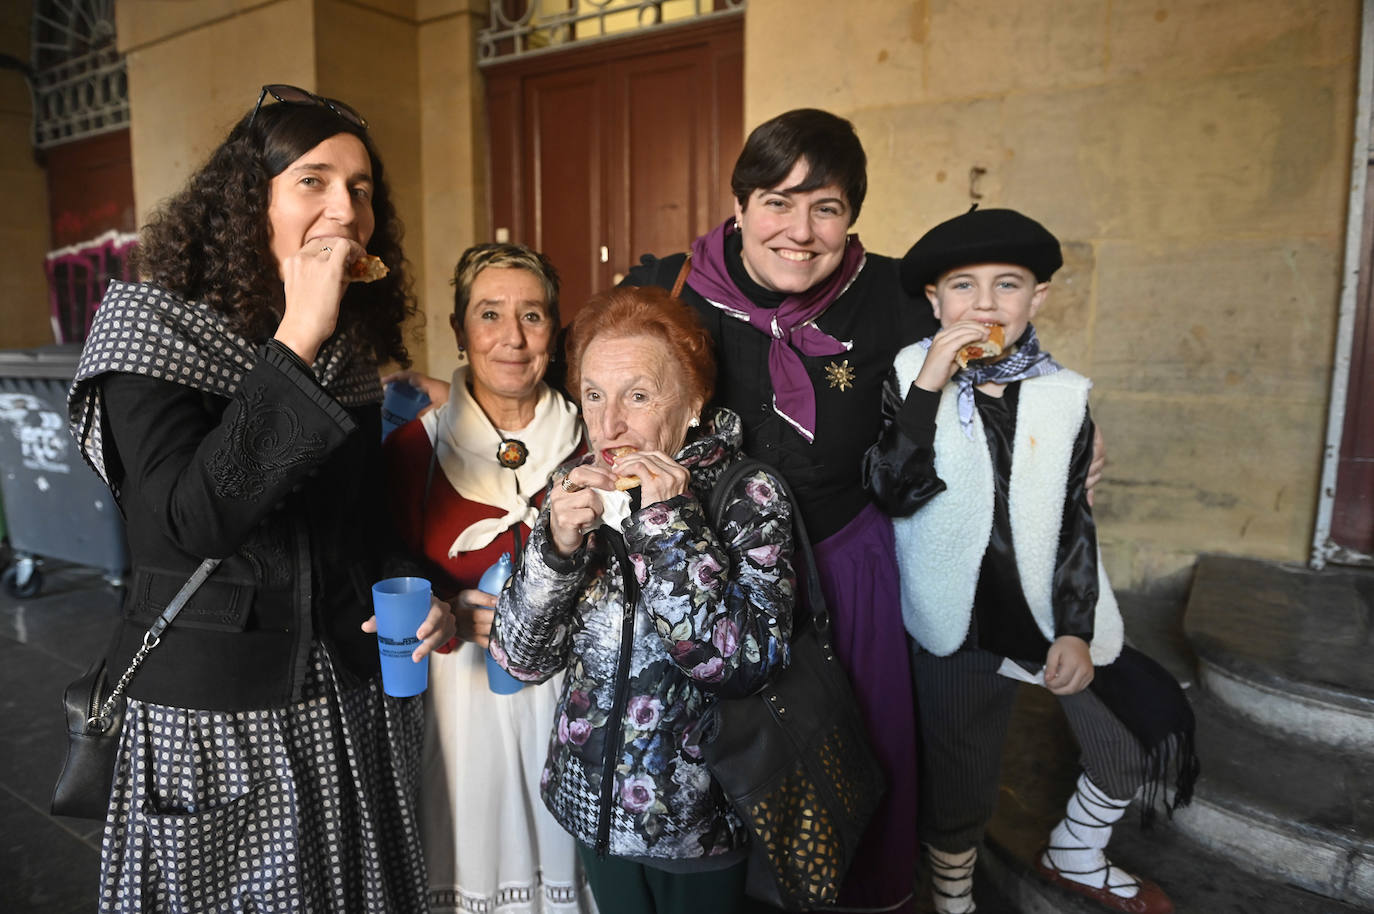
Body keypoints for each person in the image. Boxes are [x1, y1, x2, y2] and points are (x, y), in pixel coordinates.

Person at [67, 85, 456, 914]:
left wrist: (410, 586)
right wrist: (297, 338)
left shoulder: (347, 349)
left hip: (347, 702)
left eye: (360, 189)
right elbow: (193, 521)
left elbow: (362, 523)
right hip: (215, 712)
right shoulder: (149, 328)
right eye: (313, 182)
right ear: (251, 205)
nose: (344, 210)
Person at [621, 108, 933, 913]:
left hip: (844, 565)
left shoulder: (893, 295)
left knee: (848, 756)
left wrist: (1064, 429)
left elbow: (990, 330)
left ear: (851, 217)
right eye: (778, 201)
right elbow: (583, 369)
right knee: (727, 764)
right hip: (714, 575)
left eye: (825, 206)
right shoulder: (671, 285)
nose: (801, 230)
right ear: (741, 206)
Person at [865, 207, 1197, 914]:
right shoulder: (907, 375)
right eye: (963, 286)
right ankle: (953, 892)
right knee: (962, 779)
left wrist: (1076, 626)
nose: (984, 304)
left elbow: (1076, 521)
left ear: (1037, 298)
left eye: (1007, 285)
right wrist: (930, 380)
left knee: (1134, 731)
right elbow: (893, 488)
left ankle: (1075, 848)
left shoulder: (1063, 396)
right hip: (956, 623)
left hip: (1048, 615)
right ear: (936, 301)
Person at [489, 285, 798, 914]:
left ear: (692, 403)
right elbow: (518, 660)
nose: (610, 426)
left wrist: (666, 524)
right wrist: (557, 547)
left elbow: (743, 666)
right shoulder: (575, 489)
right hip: (591, 812)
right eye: (595, 396)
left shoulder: (748, 495)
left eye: (637, 395)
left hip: (699, 821)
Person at [383, 242, 594, 913]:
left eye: (533, 317)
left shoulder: (593, 439)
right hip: (461, 708)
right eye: (490, 315)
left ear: (554, 334)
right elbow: (386, 562)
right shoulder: (415, 448)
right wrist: (440, 613)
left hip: (571, 700)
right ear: (459, 331)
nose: (512, 338)